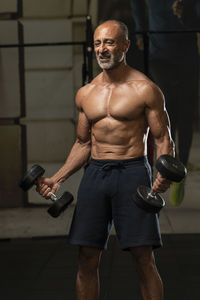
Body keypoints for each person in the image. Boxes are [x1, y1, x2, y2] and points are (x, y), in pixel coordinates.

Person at [36, 20, 175, 300]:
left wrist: (164, 171)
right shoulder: (86, 94)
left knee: (142, 258)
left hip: (133, 173)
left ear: (125, 45)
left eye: (109, 42)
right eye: (98, 43)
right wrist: (57, 178)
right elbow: (83, 143)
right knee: (86, 258)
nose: (102, 49)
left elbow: (163, 139)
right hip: (96, 175)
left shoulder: (145, 89)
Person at [130, 0, 200, 206]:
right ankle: (163, 170)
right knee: (167, 114)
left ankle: (180, 170)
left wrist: (185, 14)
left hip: (187, 55)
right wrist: (140, 31)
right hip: (159, 54)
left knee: (186, 114)